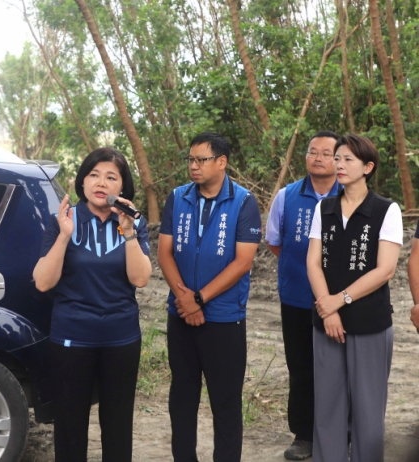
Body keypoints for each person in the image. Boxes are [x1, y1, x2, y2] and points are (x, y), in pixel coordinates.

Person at [33, 147, 152, 461]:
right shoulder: (62, 220)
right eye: (94, 175)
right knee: (70, 427)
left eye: (111, 177)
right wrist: (63, 236)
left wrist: (128, 232)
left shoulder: (133, 224)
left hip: (121, 338)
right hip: (72, 339)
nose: (101, 182)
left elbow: (140, 279)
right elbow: (43, 282)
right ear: (82, 182)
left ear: (122, 187)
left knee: (117, 424)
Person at [158, 131, 261, 462]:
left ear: (221, 162)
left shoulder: (244, 202)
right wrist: (184, 299)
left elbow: (243, 261)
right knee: (182, 398)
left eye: (201, 160)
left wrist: (199, 299)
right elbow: (164, 254)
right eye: (190, 159)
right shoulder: (177, 197)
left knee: (226, 402)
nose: (194, 166)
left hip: (224, 319)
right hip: (181, 316)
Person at [306, 134, 401, 462]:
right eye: (338, 158)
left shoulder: (386, 210)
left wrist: (340, 300)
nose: (339, 165)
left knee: (368, 412)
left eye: (348, 159)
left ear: (368, 167)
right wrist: (327, 309)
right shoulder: (325, 207)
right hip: (327, 323)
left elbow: (385, 270)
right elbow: (313, 262)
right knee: (327, 409)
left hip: (369, 325)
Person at [265, 130, 341, 460]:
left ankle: (343, 432)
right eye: (313, 152)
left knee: (340, 368)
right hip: (297, 296)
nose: (318, 157)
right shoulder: (286, 196)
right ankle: (304, 436)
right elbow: (274, 241)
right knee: (301, 368)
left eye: (327, 153)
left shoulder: (353, 195)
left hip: (341, 299)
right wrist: (305, 270)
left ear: (340, 160)